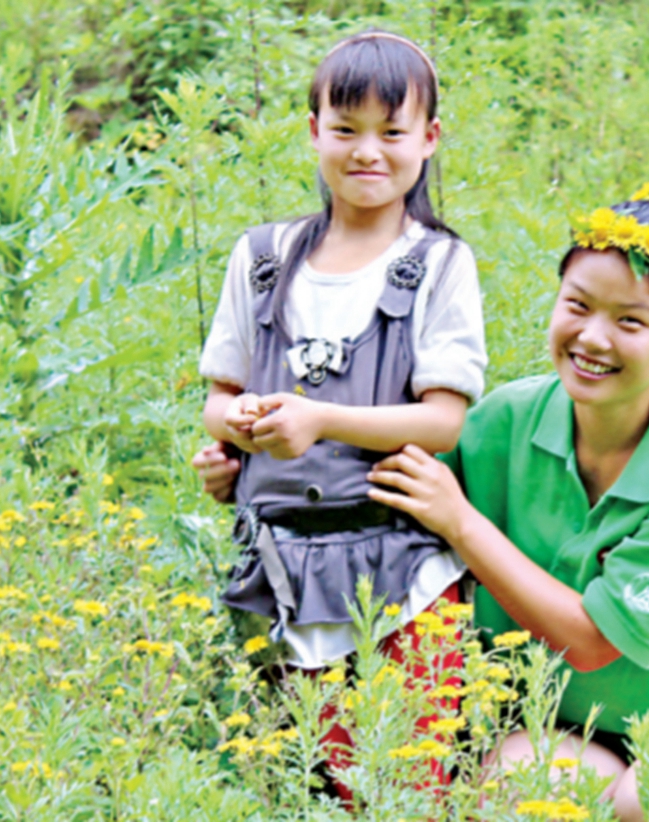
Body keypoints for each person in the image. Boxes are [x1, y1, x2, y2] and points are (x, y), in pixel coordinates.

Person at [196, 190, 649, 819]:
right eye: (577, 306)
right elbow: (376, 495)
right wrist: (256, 470)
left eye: (630, 322)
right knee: (513, 790)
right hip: (552, 724)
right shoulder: (508, 418)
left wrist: (463, 522)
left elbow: (593, 642)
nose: (593, 337)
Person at [197, 30, 485, 682]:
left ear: (429, 139)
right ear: (314, 130)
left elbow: (443, 421)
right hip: (277, 579)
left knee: (407, 777)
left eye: (391, 133)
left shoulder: (439, 262)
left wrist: (318, 419)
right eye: (346, 128)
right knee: (289, 777)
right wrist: (240, 429)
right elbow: (218, 401)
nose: (367, 152)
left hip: (405, 580)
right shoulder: (262, 259)